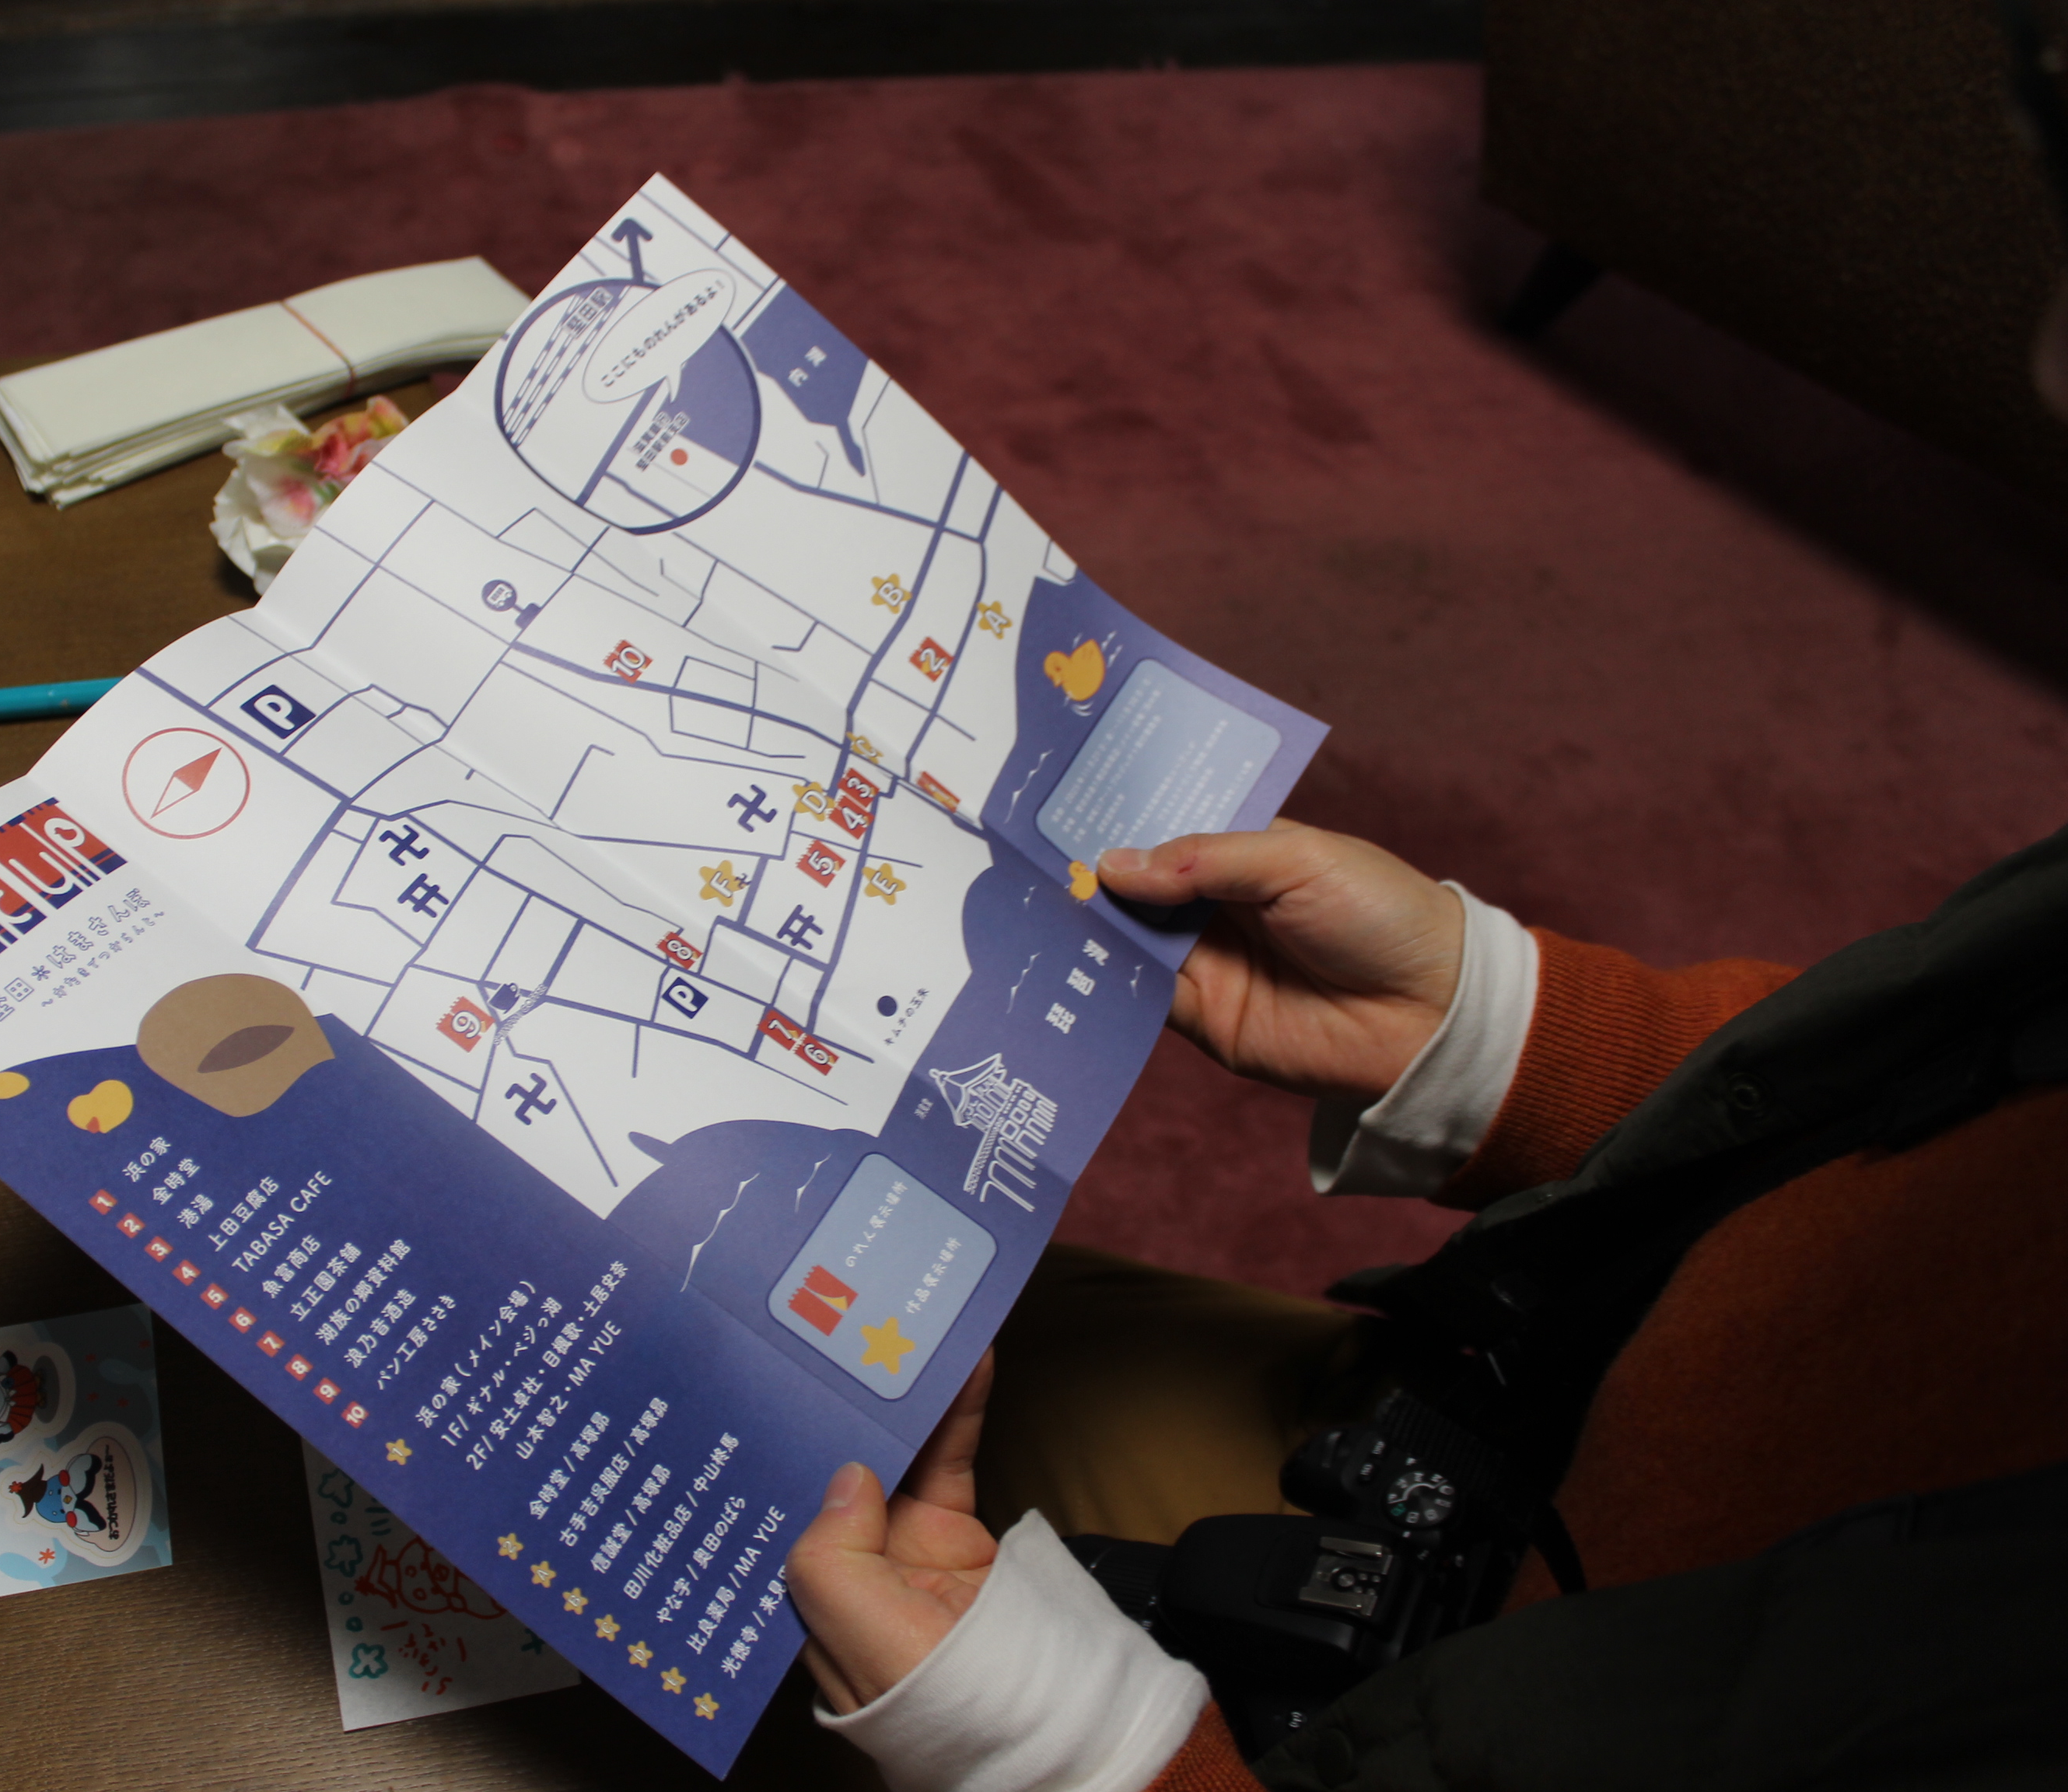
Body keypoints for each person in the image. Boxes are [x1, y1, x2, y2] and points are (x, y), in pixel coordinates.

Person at [786, 23, 2068, 1762]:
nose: (2047, 370)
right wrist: (1511, 1032)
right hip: (1498, 1441)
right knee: (865, 1336)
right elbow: (1965, 1079)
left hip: (1445, 1700)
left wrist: (1070, 1754)